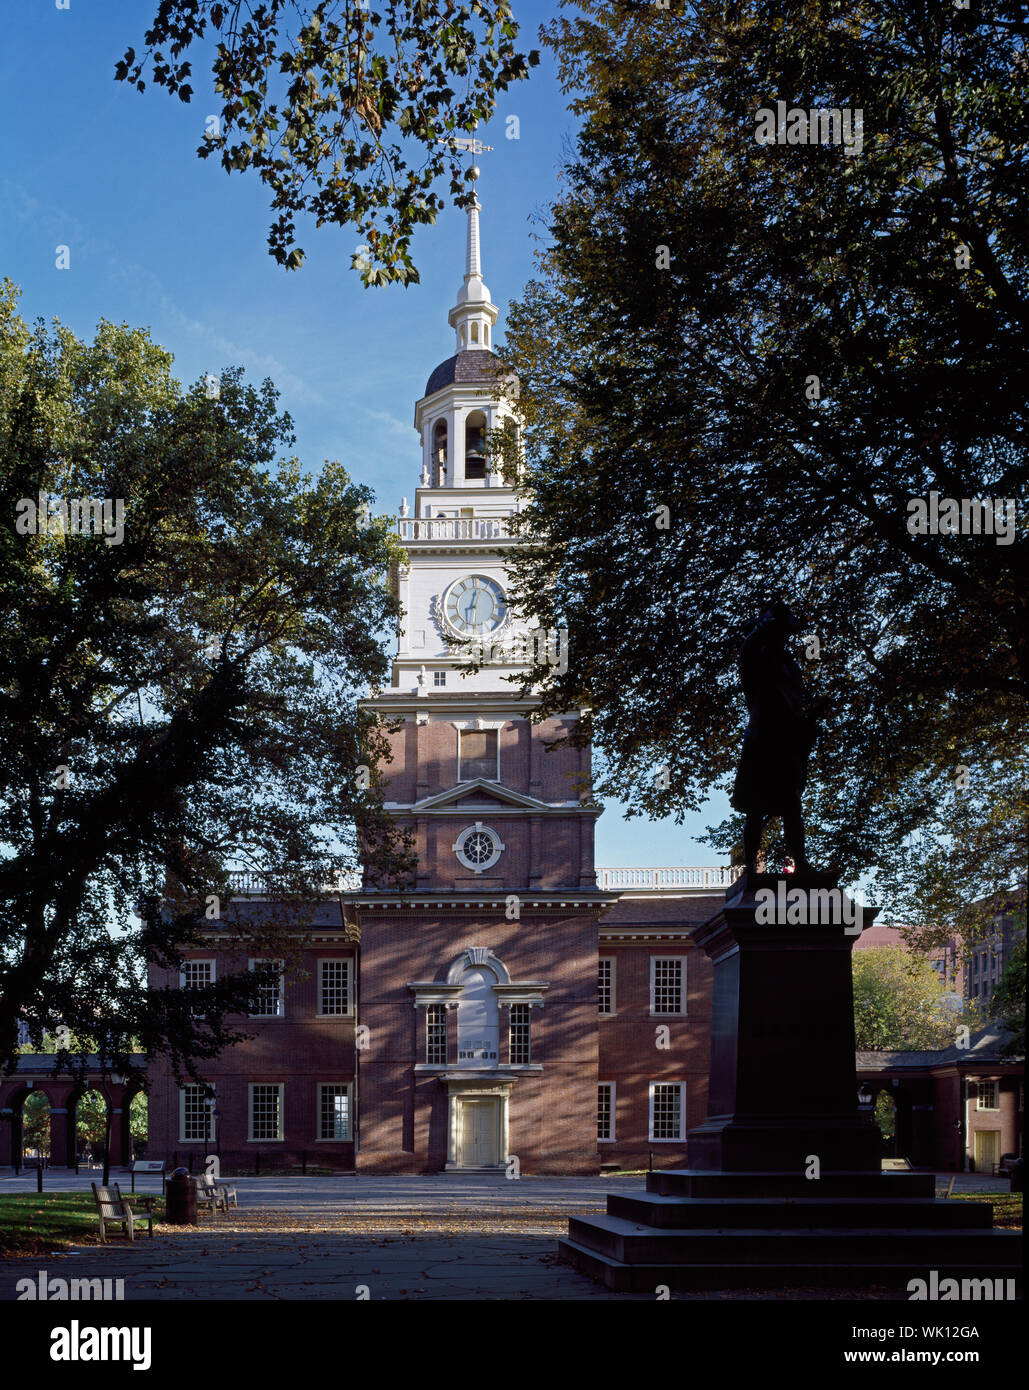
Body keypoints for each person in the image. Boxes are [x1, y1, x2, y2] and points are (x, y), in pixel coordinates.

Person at [731, 601, 820, 879]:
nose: (781, 636)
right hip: (763, 737)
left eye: (783, 631)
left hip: (788, 738)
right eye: (777, 629)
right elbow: (745, 652)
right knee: (756, 809)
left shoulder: (790, 666)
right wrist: (759, 629)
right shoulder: (755, 659)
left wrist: (809, 721)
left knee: (792, 805)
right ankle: (750, 869)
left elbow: (797, 702)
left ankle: (801, 864)